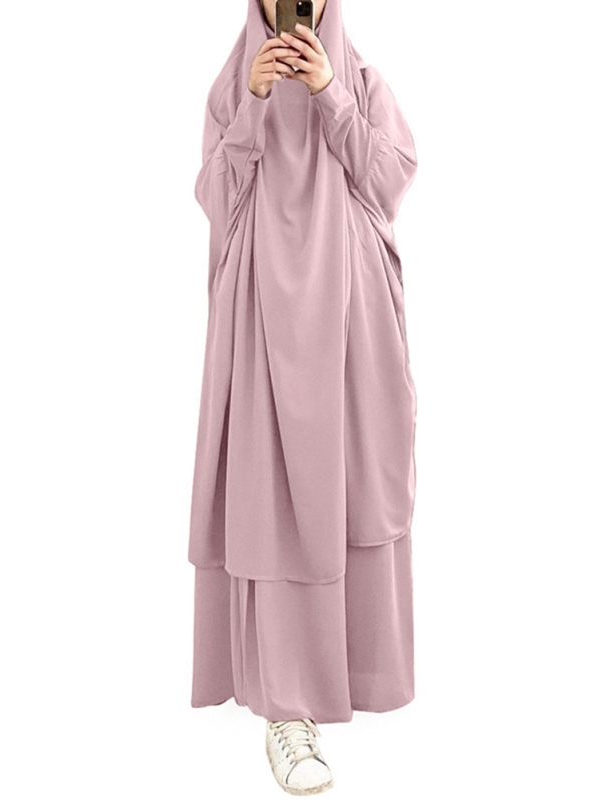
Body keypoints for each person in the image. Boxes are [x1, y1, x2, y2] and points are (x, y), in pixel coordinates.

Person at [188, 0, 418, 793]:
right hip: (263, 318)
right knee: (269, 494)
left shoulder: (363, 81)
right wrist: (255, 104)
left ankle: (350, 673)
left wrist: (329, 93)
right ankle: (286, 708)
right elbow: (215, 198)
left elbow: (389, 180)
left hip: (350, 318)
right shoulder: (232, 88)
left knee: (351, 481)